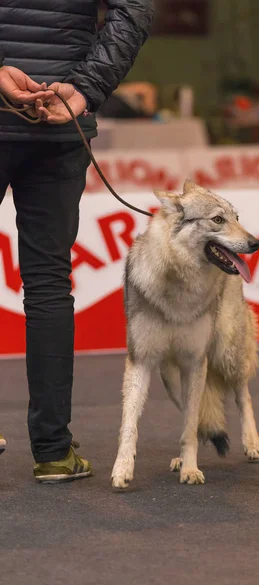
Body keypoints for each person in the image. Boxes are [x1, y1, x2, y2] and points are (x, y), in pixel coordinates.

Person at [0, 0, 154, 483]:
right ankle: (53, 451)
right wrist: (84, 89)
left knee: (47, 286)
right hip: (60, 120)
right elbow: (135, 12)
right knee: (48, 285)